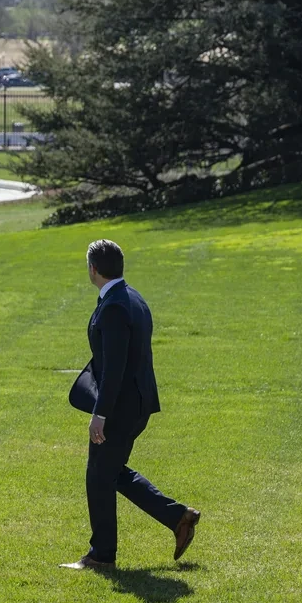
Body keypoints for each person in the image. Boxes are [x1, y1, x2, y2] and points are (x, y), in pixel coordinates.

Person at [62, 240, 200, 570]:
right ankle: (179, 517)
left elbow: (115, 368)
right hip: (138, 405)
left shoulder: (113, 307)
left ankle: (101, 556)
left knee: (99, 476)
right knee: (111, 473)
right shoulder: (133, 298)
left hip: (120, 409)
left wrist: (101, 414)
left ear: (93, 269)